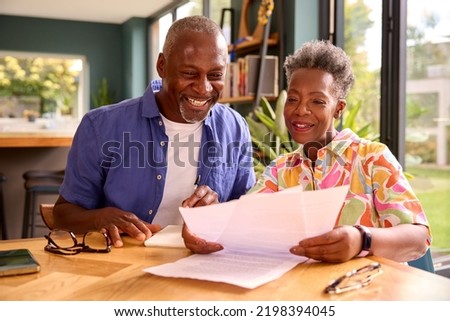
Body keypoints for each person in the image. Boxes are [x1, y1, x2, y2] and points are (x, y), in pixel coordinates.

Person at [184, 39, 431, 263]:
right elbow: (244, 227)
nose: (300, 110)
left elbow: (419, 238)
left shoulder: (372, 159)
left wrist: (362, 239)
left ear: (339, 108)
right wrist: (205, 227)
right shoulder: (280, 170)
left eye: (317, 101)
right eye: (293, 99)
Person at [53, 15, 256, 247]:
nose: (203, 88)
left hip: (204, 262)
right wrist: (99, 217)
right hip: (121, 265)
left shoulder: (235, 126)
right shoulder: (100, 126)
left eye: (215, 75)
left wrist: (219, 213)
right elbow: (62, 215)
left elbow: (246, 210)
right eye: (190, 73)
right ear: (162, 66)